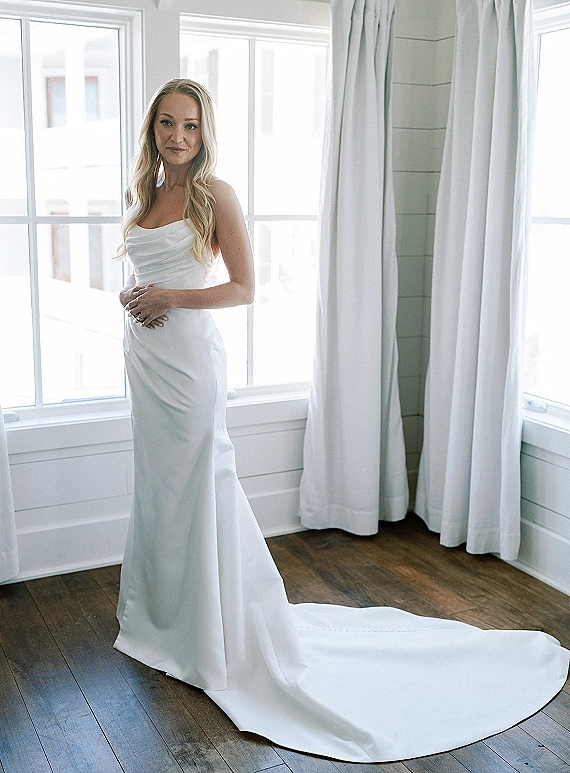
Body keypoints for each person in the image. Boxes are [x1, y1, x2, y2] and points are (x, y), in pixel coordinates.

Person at [114, 78, 569, 764]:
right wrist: (136, 297)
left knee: (199, 484)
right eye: (167, 124)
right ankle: (170, 619)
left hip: (188, 365)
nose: (178, 136)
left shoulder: (216, 196)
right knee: (160, 490)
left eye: (191, 125)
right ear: (152, 130)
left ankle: (214, 628)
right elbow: (149, 269)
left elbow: (243, 286)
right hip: (146, 366)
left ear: (206, 134)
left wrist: (168, 295)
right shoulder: (143, 197)